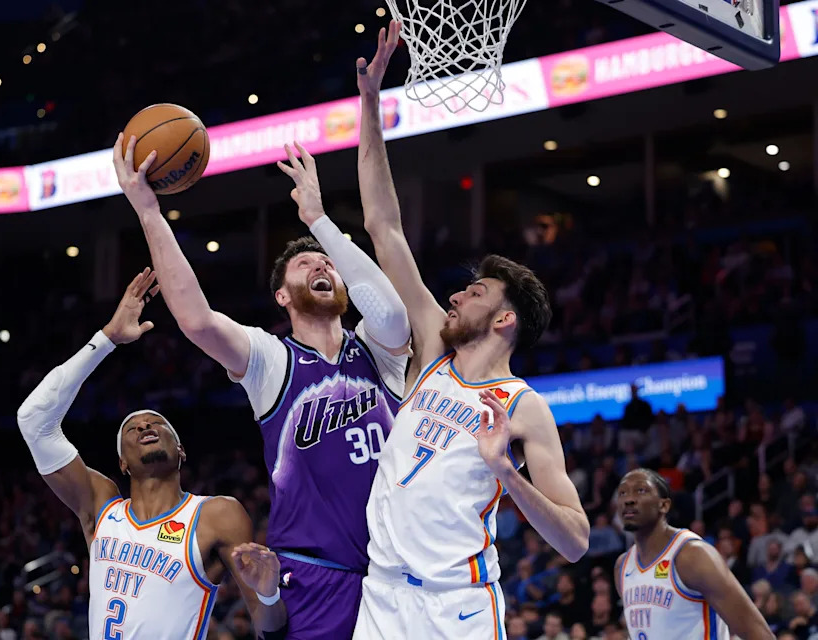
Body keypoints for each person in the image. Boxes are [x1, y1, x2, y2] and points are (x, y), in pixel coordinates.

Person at [113, 118, 410, 639]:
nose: (322, 267)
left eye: (329, 264)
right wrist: (148, 211)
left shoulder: (379, 349)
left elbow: (392, 314)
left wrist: (320, 222)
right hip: (317, 578)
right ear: (281, 296)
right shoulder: (273, 361)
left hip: (399, 572)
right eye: (306, 265)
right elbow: (197, 320)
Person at [352, 21, 589, 639]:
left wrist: (507, 473)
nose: (456, 296)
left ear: (505, 319)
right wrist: (370, 103)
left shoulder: (523, 407)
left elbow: (575, 541)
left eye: (476, 292)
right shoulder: (434, 345)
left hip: (456, 607)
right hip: (380, 597)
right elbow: (383, 226)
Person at [16, 271, 287, 640]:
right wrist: (107, 339)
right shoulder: (101, 507)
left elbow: (268, 626)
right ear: (122, 463)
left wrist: (269, 595)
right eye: (132, 428)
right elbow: (33, 419)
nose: (145, 425)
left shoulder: (216, 515)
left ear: (181, 450)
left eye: (158, 423)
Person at [614, 468, 775, 640]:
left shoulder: (692, 555)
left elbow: (758, 633)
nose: (628, 499)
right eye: (622, 493)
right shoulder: (622, 567)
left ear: (664, 505)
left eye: (640, 490)